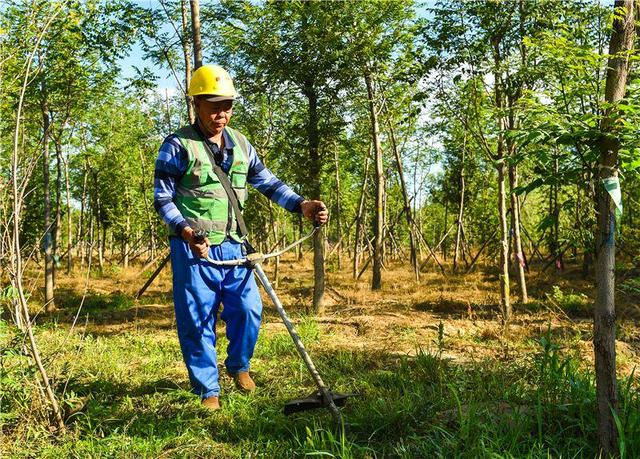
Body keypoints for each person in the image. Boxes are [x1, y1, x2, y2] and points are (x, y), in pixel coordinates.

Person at [153, 64, 328, 410]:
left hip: (235, 246)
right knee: (197, 317)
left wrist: (302, 205)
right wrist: (186, 231)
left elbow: (268, 183)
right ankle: (208, 389)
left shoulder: (241, 145)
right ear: (197, 104)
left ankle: (239, 366)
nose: (222, 114)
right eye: (214, 106)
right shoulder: (176, 146)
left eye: (228, 106)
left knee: (249, 309)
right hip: (194, 249)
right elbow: (162, 198)